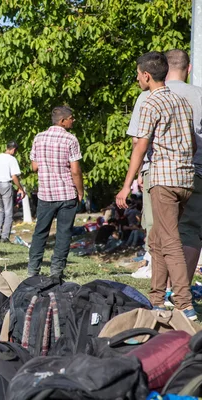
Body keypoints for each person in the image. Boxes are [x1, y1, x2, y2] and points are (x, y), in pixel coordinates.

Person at [116, 51, 196, 319]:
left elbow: (140, 143)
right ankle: (157, 299)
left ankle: (184, 304)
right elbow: (193, 143)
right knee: (158, 239)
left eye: (138, 74)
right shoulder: (182, 102)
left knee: (171, 240)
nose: (138, 78)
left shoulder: (150, 102)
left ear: (146, 76)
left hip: (163, 179)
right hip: (186, 179)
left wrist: (127, 185)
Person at [27, 106, 83, 278]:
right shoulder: (70, 140)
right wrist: (80, 191)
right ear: (62, 121)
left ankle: (33, 269)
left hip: (46, 194)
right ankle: (56, 271)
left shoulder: (39, 137)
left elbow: (34, 166)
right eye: (71, 118)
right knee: (63, 233)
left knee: (40, 232)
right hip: (66, 194)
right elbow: (75, 171)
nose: (73, 121)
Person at [0, 140, 26, 242]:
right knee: (8, 212)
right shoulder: (12, 159)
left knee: (0, 210)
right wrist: (20, 188)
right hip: (5, 185)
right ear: (13, 149)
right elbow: (14, 176)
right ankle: (5, 237)